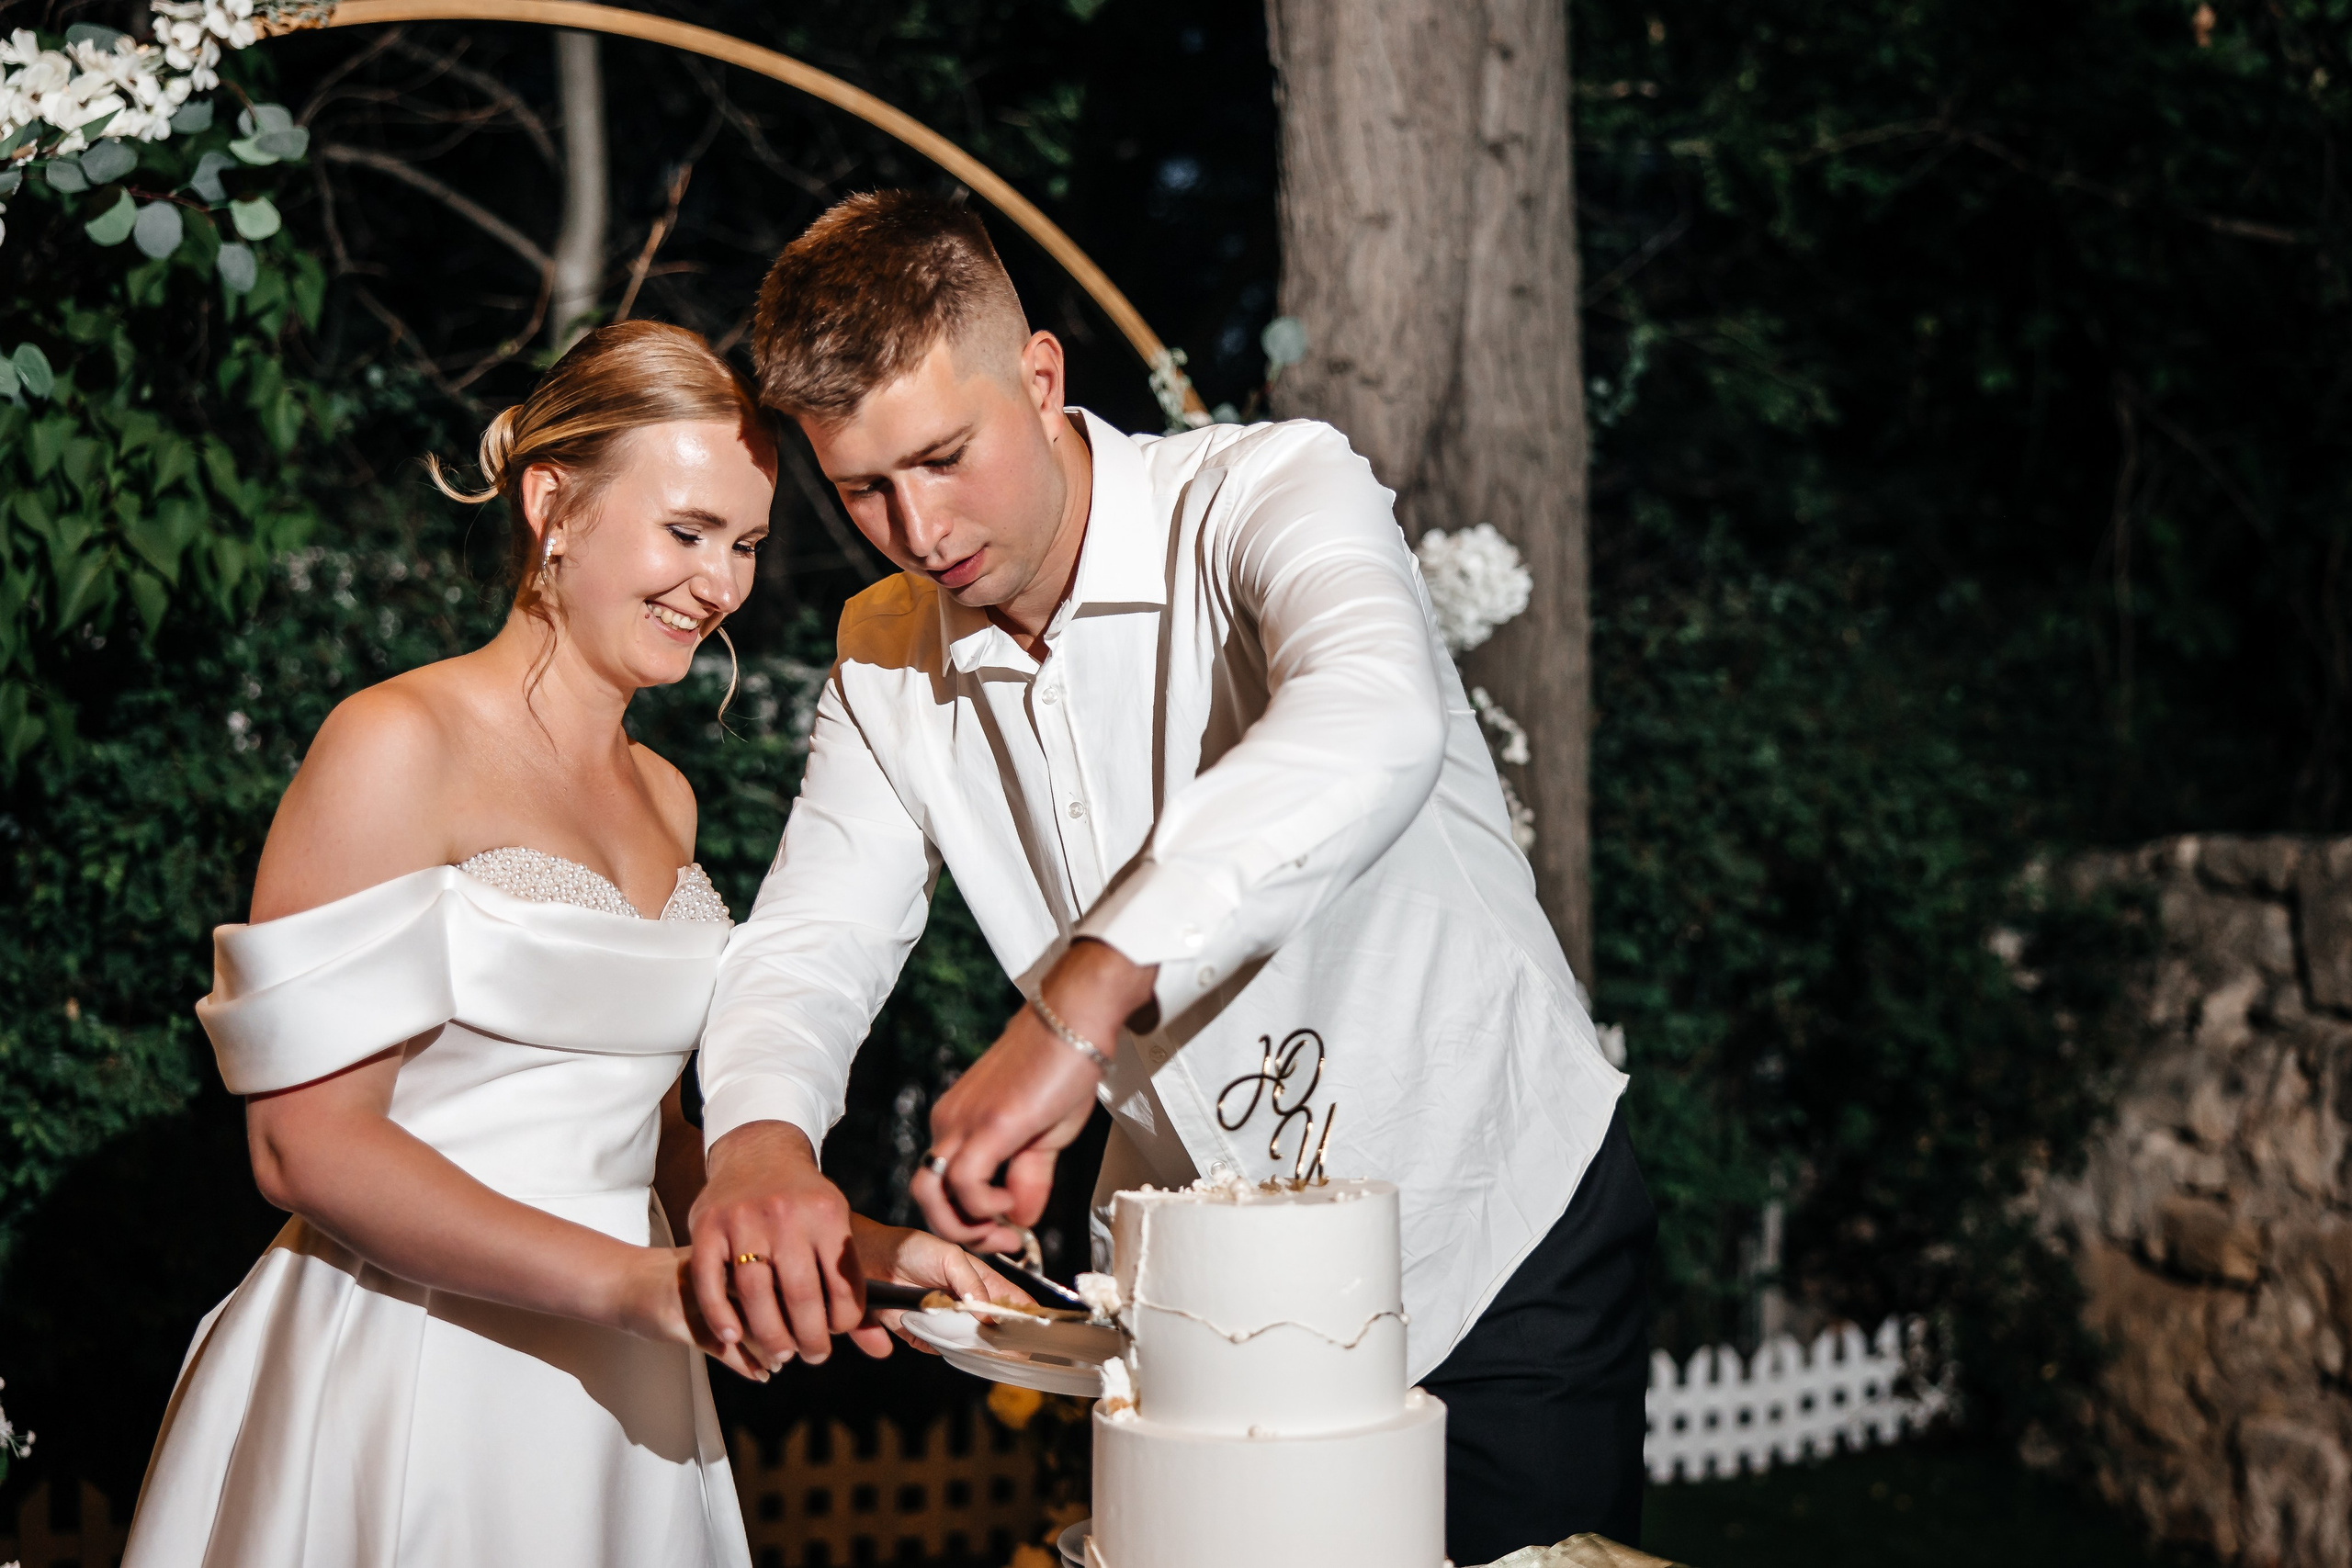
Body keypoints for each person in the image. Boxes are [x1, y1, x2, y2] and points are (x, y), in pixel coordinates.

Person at [692, 193, 1657, 1562]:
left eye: (946, 457)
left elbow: (1368, 715)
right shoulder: (883, 654)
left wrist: (1072, 1016)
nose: (918, 526)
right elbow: (814, 939)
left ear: (1040, 379)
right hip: (1202, 1308)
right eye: (862, 489)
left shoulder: (1271, 489)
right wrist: (757, 1145)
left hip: (1494, 1236)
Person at [123, 321, 1012, 1568]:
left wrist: (857, 1252)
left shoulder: (668, 798)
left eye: (747, 544)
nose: (721, 584)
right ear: (554, 504)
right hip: (418, 1363)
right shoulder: (397, 741)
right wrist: (634, 1288)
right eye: (687, 531)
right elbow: (304, 1145)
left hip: (625, 1390)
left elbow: (651, 1138)